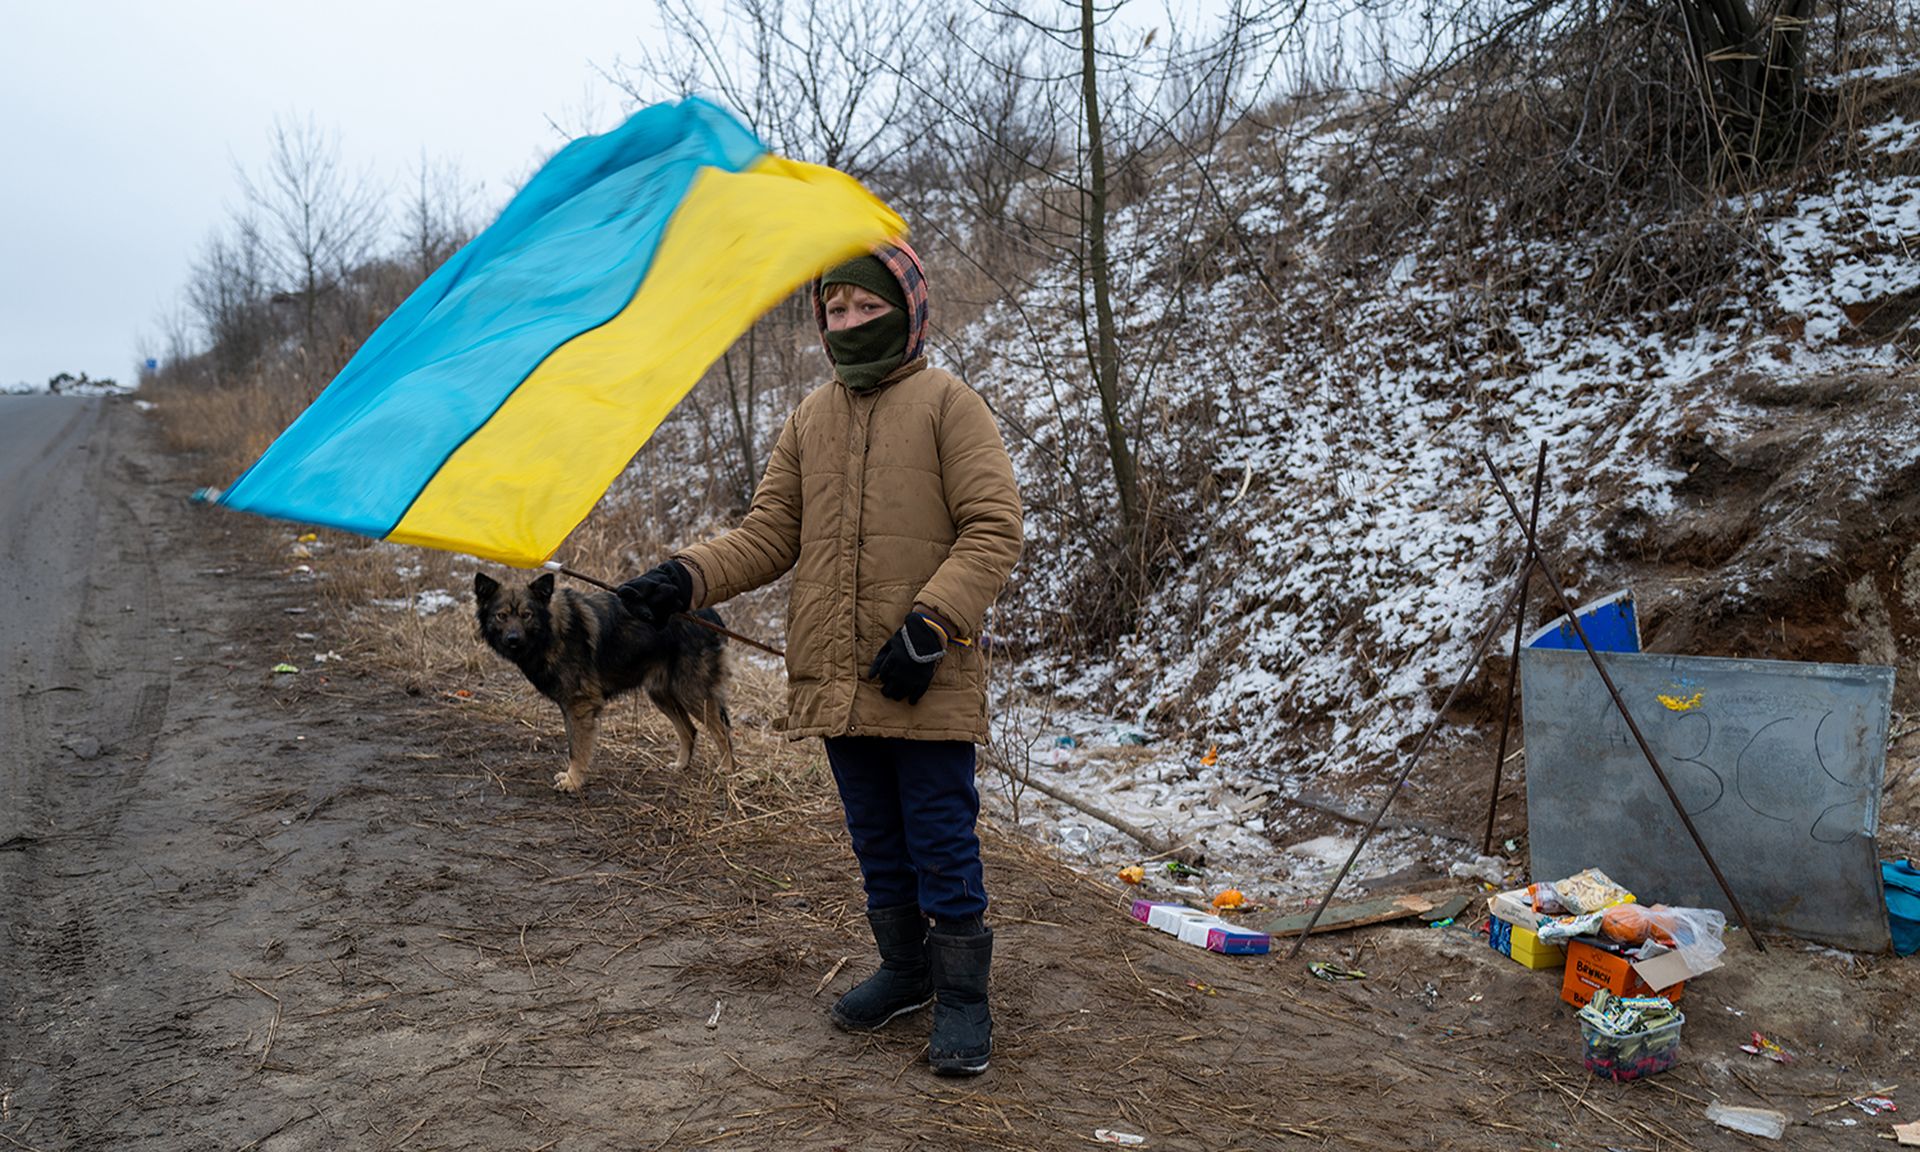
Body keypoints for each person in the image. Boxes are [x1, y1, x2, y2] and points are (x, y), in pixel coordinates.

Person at [619, 241, 1023, 1076]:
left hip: (923, 674)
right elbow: (769, 535)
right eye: (834, 310)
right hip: (837, 677)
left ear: (905, 310)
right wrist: (682, 579)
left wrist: (932, 624)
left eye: (863, 307)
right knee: (876, 837)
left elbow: (994, 528)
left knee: (941, 840)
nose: (847, 323)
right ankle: (907, 974)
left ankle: (963, 1001)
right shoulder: (810, 417)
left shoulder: (951, 405)